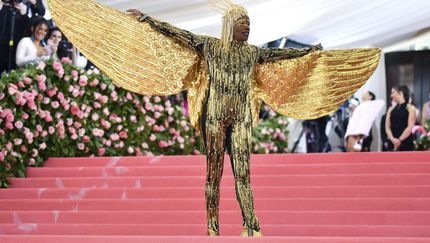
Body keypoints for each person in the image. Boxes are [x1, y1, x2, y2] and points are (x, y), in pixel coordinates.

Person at [48, 0, 381, 237]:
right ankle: (213, 224)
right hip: (215, 117)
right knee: (214, 174)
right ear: (230, 25)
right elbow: (175, 33)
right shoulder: (208, 46)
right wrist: (148, 20)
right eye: (243, 24)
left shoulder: (253, 53)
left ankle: (251, 225)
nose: (248, 29)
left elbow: (281, 54)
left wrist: (309, 52)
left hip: (240, 120)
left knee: (244, 172)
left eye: (250, 25)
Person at [0, 1, 30, 73]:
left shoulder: (22, 8)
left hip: (16, 47)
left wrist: (23, 14)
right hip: (2, 45)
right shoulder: (3, 7)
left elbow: (28, 29)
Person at [385, 85, 416, 151]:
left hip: (406, 143)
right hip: (392, 142)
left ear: (400, 93)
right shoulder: (391, 109)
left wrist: (399, 140)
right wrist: (392, 139)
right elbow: (387, 127)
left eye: (393, 92)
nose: (391, 95)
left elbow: (410, 126)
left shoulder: (411, 108)